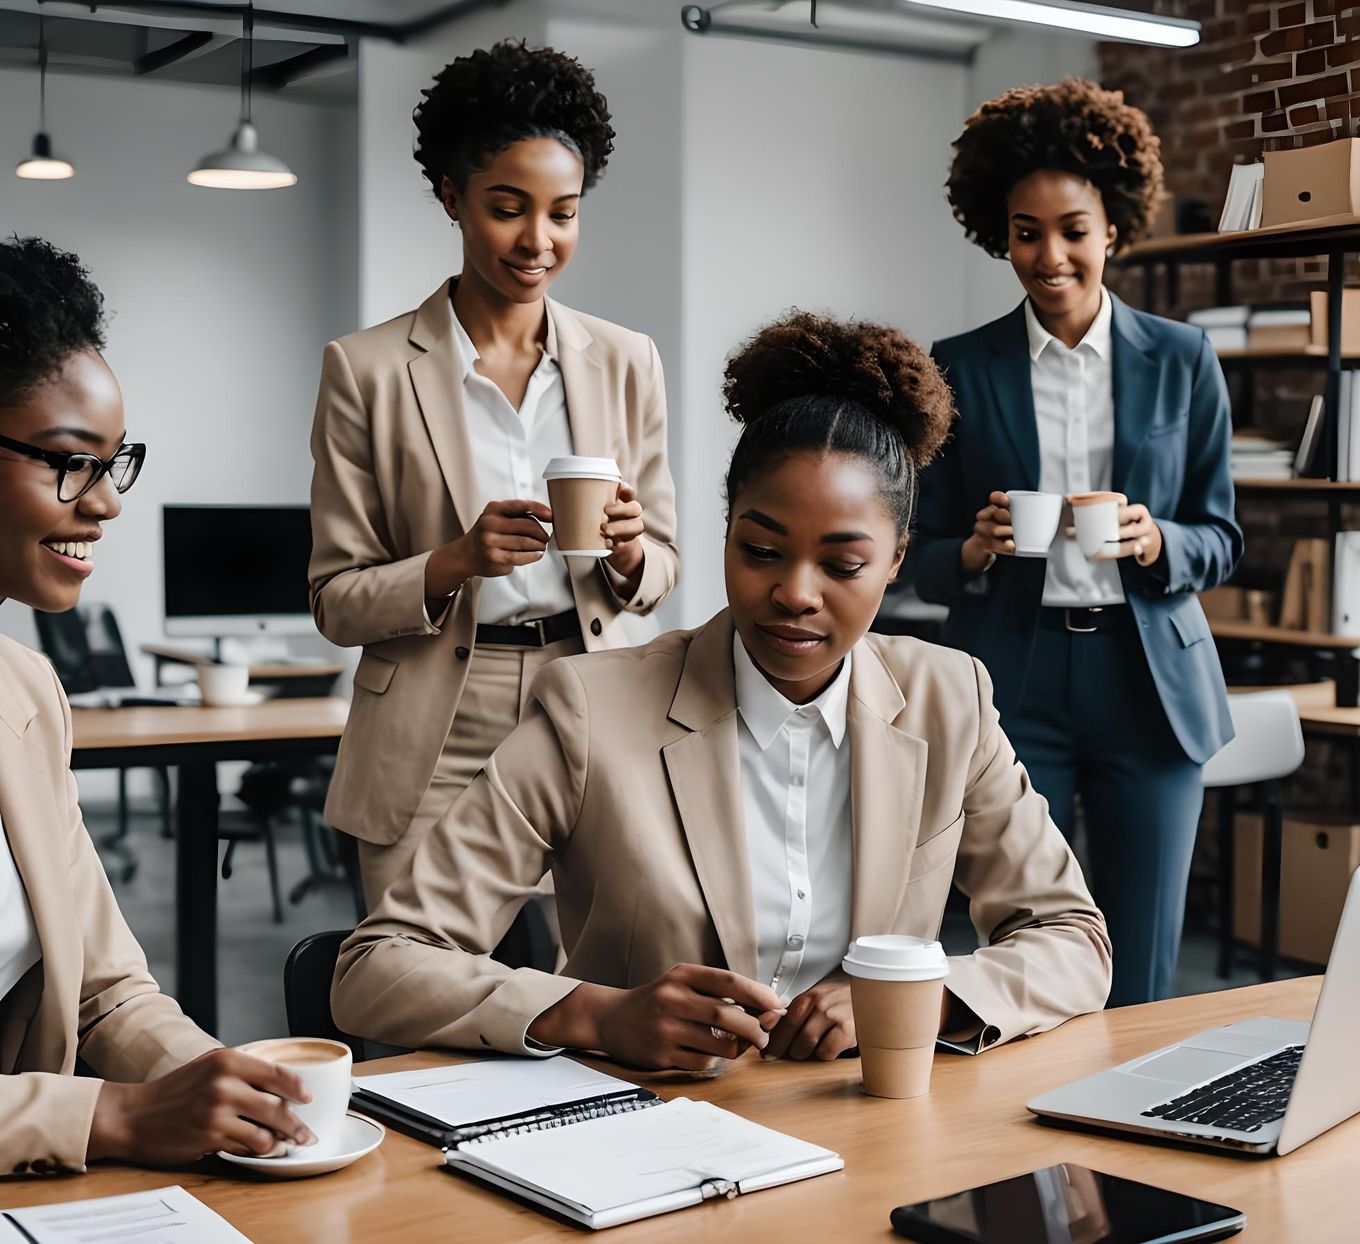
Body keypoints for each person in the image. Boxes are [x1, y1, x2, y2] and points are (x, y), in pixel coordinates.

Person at [332, 312, 1111, 1069]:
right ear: (728, 528)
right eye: (762, 550)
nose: (795, 593)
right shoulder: (590, 710)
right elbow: (376, 965)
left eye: (842, 566)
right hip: (649, 1148)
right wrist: (600, 1015)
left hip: (871, 1139)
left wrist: (919, 996)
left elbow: (1073, 939)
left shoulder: (951, 699)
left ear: (898, 558)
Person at [309, 41, 680, 907]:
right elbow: (335, 597)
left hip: (586, 699)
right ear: (452, 198)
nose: (538, 241)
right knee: (410, 983)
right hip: (432, 722)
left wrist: (630, 554)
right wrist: (456, 562)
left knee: (583, 995)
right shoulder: (366, 369)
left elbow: (664, 565)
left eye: (564, 212)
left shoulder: (627, 361)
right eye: (509, 208)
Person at [906, 79, 1241, 1007]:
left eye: (1072, 230)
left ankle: (1141, 1144)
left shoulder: (1182, 359)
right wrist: (969, 550)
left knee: (1141, 966)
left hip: (1150, 687)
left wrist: (1155, 537)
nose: (1049, 257)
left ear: (1113, 228)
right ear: (998, 232)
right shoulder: (959, 366)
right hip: (1018, 679)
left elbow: (1223, 536)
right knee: (1024, 950)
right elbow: (918, 548)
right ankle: (1032, 1147)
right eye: (1025, 232)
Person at [0, 236, 314, 1173]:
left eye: (113, 463)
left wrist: (226, 1090)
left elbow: (105, 992)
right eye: (69, 462)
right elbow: (112, 1105)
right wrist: (118, 1120)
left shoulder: (25, 692)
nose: (107, 504)